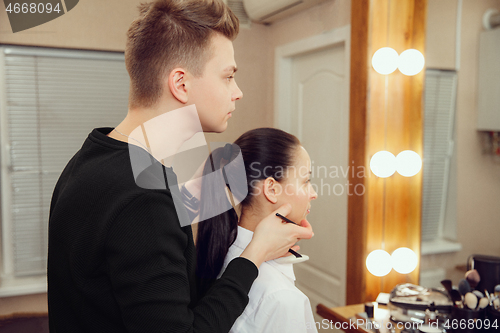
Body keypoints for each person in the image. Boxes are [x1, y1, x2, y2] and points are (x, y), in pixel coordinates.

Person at [47, 1, 313, 332]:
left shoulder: (90, 158)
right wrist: (253, 255)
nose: (238, 92)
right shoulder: (143, 197)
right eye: (228, 76)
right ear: (181, 84)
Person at [196, 128, 319, 333]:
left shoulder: (221, 250)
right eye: (306, 181)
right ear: (271, 189)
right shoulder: (282, 299)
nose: (313, 194)